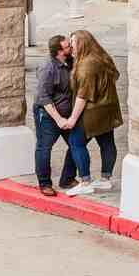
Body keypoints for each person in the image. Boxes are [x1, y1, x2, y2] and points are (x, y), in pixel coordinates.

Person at [58, 30, 122, 192]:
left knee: (75, 142)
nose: (71, 46)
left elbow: (83, 95)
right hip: (107, 108)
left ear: (82, 43)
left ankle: (85, 182)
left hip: (92, 112)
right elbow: (116, 76)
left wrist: (72, 119)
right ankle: (106, 178)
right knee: (107, 143)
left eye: (73, 42)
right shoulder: (102, 58)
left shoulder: (87, 65)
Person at [33, 35, 88, 196]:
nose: (71, 48)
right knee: (44, 147)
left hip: (68, 116)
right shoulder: (48, 69)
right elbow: (44, 98)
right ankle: (44, 184)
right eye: (67, 47)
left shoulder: (71, 63)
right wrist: (59, 119)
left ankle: (67, 178)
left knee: (76, 143)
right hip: (48, 115)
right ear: (59, 52)